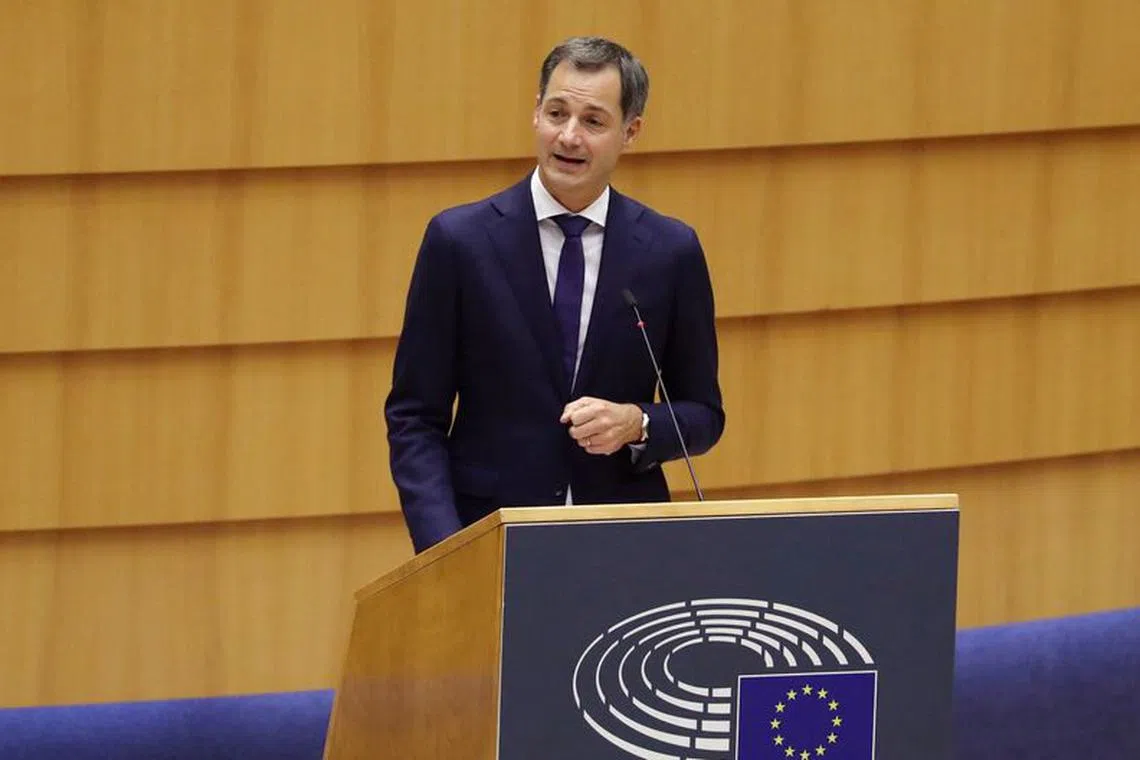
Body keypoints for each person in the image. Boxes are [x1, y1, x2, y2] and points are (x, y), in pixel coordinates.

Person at [384, 36, 724, 553]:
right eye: (557, 113)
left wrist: (638, 423)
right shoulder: (460, 242)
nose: (568, 136)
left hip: (621, 543)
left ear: (630, 132)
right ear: (536, 113)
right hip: (488, 537)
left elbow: (704, 414)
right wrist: (445, 551)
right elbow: (415, 416)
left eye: (593, 121)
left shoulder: (670, 251)